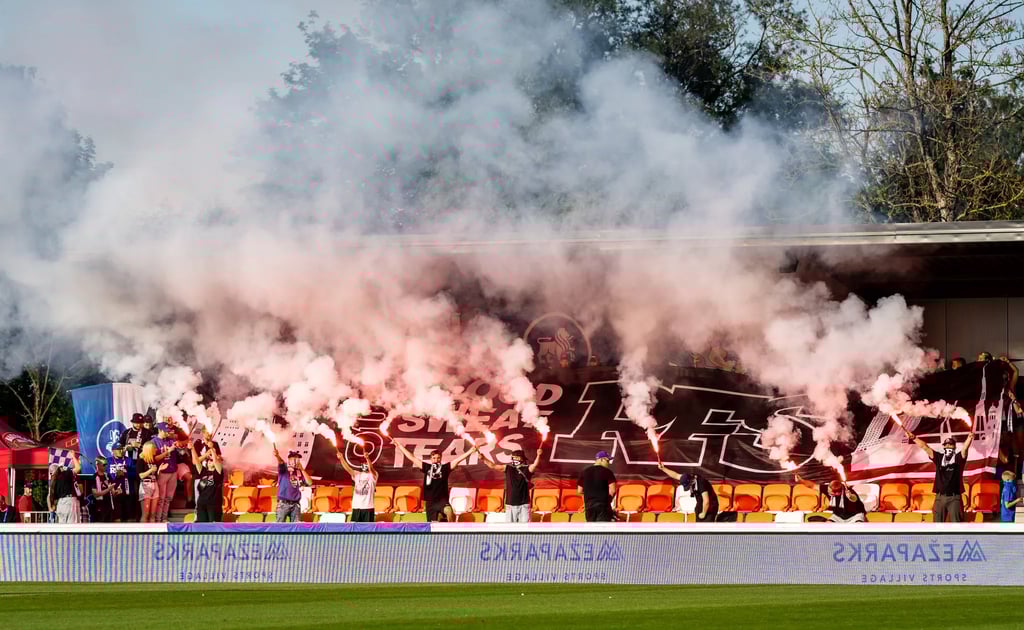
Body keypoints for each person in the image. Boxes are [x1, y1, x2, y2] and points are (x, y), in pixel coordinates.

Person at [392, 438, 481, 522]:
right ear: (431, 459)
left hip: (442, 501)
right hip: (430, 502)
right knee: (433, 525)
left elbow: (458, 460)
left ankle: (452, 530)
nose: (436, 460)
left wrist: (471, 451)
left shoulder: (445, 468)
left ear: (441, 458)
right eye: (434, 458)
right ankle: (440, 519)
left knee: (449, 511)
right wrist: (399, 446)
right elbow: (412, 458)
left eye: (438, 458)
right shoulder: (427, 467)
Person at [903, 421, 974, 522]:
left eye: (951, 445)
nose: (948, 446)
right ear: (944, 447)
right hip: (940, 498)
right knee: (937, 525)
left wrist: (969, 438)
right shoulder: (939, 458)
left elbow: (965, 449)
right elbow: (925, 447)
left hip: (954, 498)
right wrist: (914, 438)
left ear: (954, 447)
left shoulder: (959, 458)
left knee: (957, 526)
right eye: (946, 445)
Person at [481, 447, 543, 523]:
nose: (515, 459)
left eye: (517, 457)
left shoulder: (527, 469)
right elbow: (493, 465)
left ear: (522, 459)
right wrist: (483, 458)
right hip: (510, 504)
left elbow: (535, 464)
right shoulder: (508, 468)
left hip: (524, 504)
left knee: (525, 528)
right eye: (513, 457)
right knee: (510, 528)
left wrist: (538, 455)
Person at [794, 473, 865, 523]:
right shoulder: (828, 489)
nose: (828, 492)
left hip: (855, 516)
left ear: (838, 492)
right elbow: (812, 486)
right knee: (828, 527)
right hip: (838, 516)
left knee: (858, 528)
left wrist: (850, 497)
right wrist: (801, 481)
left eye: (831, 492)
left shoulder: (849, 492)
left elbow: (854, 498)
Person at [120, 413, 152, 520]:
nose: (138, 425)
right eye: (137, 423)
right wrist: (126, 447)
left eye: (140, 423)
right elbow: (120, 446)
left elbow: (151, 448)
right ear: (132, 422)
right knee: (129, 490)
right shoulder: (126, 433)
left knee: (140, 490)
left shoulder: (147, 433)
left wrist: (140, 446)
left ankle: (139, 515)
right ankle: (129, 514)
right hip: (129, 462)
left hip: (142, 462)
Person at [336, 450, 378, 522]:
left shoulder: (373, 475)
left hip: (368, 507)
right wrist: (341, 458)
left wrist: (367, 459)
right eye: (363, 463)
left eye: (366, 463)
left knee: (367, 530)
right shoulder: (357, 474)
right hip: (356, 507)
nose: (365, 465)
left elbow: (371, 469)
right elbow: (348, 469)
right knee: (356, 529)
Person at [274, 446, 312, 522]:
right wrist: (277, 456)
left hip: (295, 504)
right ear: (289, 460)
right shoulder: (284, 469)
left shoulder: (299, 472)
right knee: (279, 526)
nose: (296, 460)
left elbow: (309, 483)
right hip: (283, 503)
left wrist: (302, 469)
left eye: (298, 459)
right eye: (294, 458)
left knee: (296, 528)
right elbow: (281, 462)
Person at [577, 451, 617, 522]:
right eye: (607, 460)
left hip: (589, 506)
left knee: (591, 530)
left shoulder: (585, 472)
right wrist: (609, 499)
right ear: (601, 459)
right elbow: (613, 490)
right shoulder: (608, 472)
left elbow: (579, 491)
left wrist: (590, 493)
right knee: (602, 530)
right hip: (603, 505)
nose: (609, 463)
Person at [152, 423, 180, 522]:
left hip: (173, 471)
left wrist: (179, 446)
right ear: (160, 430)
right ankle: (158, 519)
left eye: (168, 431)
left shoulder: (170, 440)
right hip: (162, 472)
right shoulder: (153, 442)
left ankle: (164, 518)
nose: (168, 433)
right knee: (161, 498)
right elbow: (154, 458)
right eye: (165, 431)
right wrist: (168, 452)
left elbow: (180, 449)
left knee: (168, 498)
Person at [192, 439, 223, 522]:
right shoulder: (203, 471)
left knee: (213, 526)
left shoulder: (218, 473)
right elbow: (196, 461)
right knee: (202, 526)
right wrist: (192, 448)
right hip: (202, 504)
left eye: (211, 460)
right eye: (208, 460)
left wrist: (212, 449)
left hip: (214, 504)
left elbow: (216, 462)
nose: (210, 461)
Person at [48, 451, 82, 523]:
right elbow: (78, 468)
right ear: (59, 469)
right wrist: (73, 456)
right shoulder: (66, 474)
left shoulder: (53, 482)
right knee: (73, 530)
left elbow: (51, 499)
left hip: (60, 505)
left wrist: (52, 509)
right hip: (69, 503)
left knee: (63, 531)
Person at [138, 442, 167, 523]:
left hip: (154, 484)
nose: (156, 450)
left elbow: (154, 474)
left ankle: (153, 533)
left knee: (153, 513)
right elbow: (141, 475)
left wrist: (159, 470)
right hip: (145, 485)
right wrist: (151, 470)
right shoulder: (141, 460)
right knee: (145, 514)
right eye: (154, 448)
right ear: (149, 450)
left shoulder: (153, 460)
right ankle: (143, 533)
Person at [108, 443, 135, 522]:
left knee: (129, 518)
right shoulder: (108, 460)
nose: (120, 451)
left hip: (127, 492)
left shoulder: (129, 460)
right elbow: (105, 475)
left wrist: (125, 473)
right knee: (117, 517)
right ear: (113, 451)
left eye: (122, 449)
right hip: (115, 492)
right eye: (118, 449)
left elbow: (135, 474)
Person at [89, 456, 121, 523]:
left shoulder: (107, 475)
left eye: (106, 464)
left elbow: (113, 493)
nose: (106, 466)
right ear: (98, 465)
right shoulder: (94, 477)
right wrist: (108, 489)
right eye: (104, 465)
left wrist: (117, 492)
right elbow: (96, 494)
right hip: (99, 507)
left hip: (109, 506)